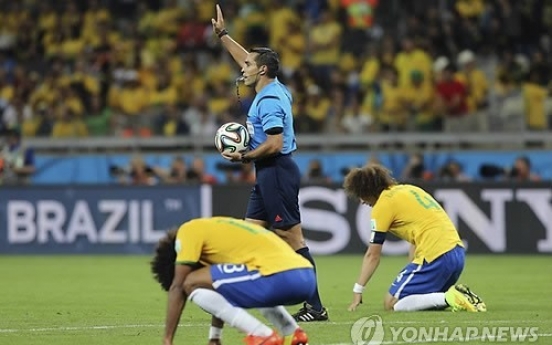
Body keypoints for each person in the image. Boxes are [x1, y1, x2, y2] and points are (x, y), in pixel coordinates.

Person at [211, 4, 328, 322]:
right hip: (268, 173)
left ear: (261, 70)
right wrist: (223, 35)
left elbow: (274, 143)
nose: (243, 67)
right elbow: (245, 59)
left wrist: (243, 156)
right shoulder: (273, 88)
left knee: (293, 238)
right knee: (251, 234)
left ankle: (315, 306)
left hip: (277, 170)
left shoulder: (270, 100)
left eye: (249, 64)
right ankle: (247, 295)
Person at [342, 164, 487, 312]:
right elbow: (416, 240)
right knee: (421, 301)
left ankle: (451, 297)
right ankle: (458, 297)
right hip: (456, 253)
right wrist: (412, 270)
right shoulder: (410, 189)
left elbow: (372, 255)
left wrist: (358, 289)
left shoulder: (383, 204)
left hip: (435, 255)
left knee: (391, 303)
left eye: (361, 194)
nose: (361, 201)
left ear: (368, 190)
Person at [151, 217, 313, 345]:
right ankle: (292, 333)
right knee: (248, 282)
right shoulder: (222, 232)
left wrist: (167, 340)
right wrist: (215, 336)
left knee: (190, 282)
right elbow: (223, 290)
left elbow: (178, 286)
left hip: (279, 277)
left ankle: (261, 336)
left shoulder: (188, 231)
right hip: (306, 276)